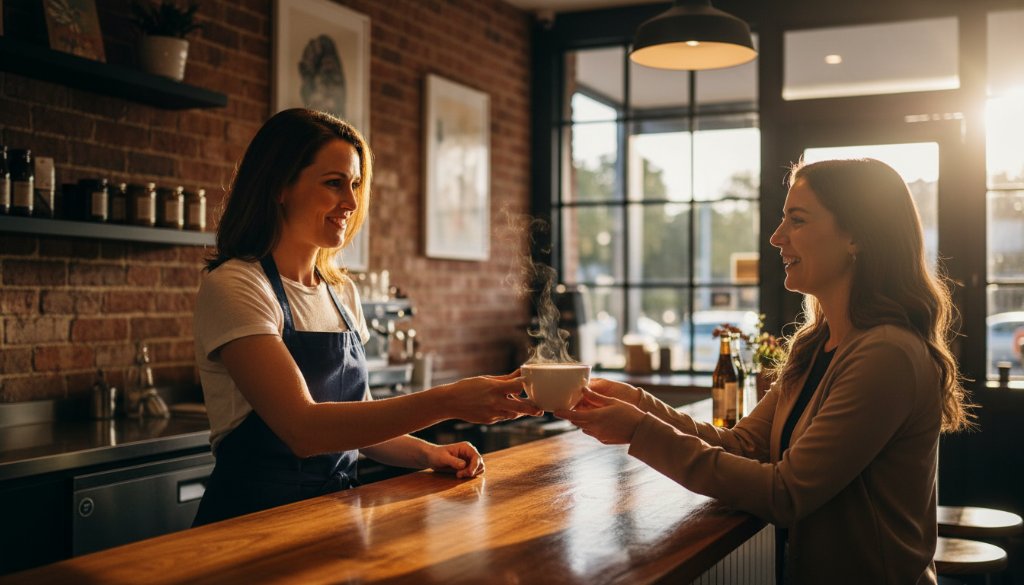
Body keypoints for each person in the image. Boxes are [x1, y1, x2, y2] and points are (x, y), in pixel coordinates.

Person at [557, 158, 972, 584]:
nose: (777, 237)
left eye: (798, 220)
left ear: (857, 237)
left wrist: (639, 431)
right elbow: (744, 445)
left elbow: (785, 494)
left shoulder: (887, 354)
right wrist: (640, 405)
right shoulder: (818, 344)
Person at [192, 108, 540, 526]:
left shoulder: (342, 292)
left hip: (332, 518)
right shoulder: (237, 285)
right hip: (248, 525)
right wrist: (450, 401)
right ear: (279, 186)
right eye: (334, 183)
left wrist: (429, 454)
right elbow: (304, 429)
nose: (352, 202)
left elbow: (359, 418)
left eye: (355, 184)